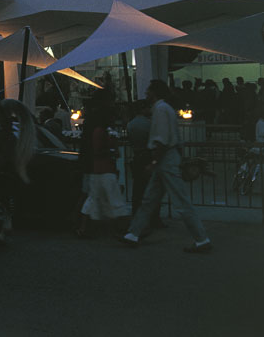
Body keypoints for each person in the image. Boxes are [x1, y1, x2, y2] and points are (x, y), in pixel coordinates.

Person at [120, 80, 212, 253]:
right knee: (151, 199)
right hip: (167, 158)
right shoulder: (165, 109)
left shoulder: (161, 110)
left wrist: (154, 161)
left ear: (154, 92)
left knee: (176, 200)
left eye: (148, 90)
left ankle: (201, 239)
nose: (146, 93)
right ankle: (132, 234)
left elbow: (161, 140)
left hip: (164, 159)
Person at [76, 96, 128, 238]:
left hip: (96, 169)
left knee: (93, 199)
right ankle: (124, 229)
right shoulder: (101, 132)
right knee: (114, 199)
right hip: (104, 169)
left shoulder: (96, 130)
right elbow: (98, 150)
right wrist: (112, 151)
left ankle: (84, 227)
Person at [127, 99, 164, 229]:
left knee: (137, 189)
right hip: (147, 156)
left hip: (136, 156)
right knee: (152, 189)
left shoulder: (131, 124)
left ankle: (136, 215)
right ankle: (154, 218)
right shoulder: (149, 124)